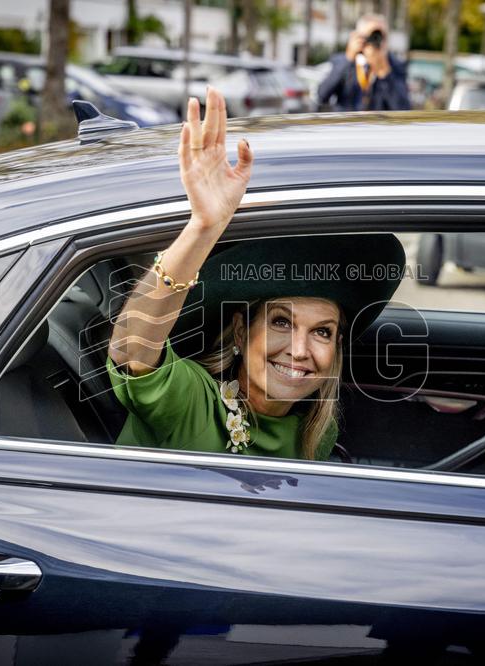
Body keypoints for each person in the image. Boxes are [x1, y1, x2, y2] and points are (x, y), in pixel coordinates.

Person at [106, 87, 404, 462]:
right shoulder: (194, 404)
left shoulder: (315, 433)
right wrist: (203, 226)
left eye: (322, 332)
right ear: (243, 330)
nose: (299, 351)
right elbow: (131, 349)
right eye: (281, 322)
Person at [317, 14, 410, 112]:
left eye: (381, 36)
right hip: (347, 125)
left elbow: (403, 108)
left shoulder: (396, 65)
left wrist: (384, 72)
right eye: (372, 35)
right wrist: (348, 58)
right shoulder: (342, 61)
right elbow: (322, 95)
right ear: (358, 37)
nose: (377, 40)